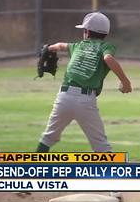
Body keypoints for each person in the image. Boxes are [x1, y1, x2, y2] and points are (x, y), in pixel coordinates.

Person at [35, 11, 132, 152]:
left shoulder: (78, 46)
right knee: (100, 145)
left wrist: (49, 48)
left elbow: (61, 45)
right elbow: (108, 59)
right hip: (86, 101)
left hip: (63, 97)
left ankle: (32, 170)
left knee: (49, 137)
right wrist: (126, 82)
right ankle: (114, 173)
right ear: (106, 33)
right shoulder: (105, 47)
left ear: (86, 32)